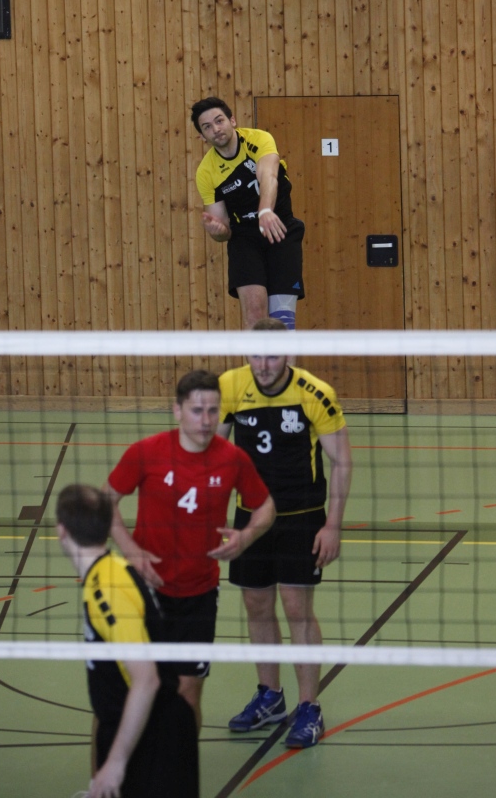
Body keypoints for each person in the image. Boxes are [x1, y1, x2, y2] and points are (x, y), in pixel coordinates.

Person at [104, 369, 276, 730]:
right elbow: (106, 501)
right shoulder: (146, 452)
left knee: (188, 694)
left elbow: (266, 507)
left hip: (199, 595)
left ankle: (181, 761)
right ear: (177, 410)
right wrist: (130, 550)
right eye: (197, 411)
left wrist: (245, 537)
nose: (206, 420)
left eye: (213, 411)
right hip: (145, 591)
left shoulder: (232, 459)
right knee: (135, 688)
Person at [217, 318, 352, 748]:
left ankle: (309, 706)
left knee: (297, 608)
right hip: (250, 516)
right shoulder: (230, 387)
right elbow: (212, 455)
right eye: (255, 355)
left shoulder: (315, 393)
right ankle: (270, 696)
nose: (263, 365)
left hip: (301, 517)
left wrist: (332, 525)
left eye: (272, 356)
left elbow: (342, 462)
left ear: (288, 354)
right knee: (256, 604)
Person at [56, 483, 199, 798]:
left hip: (153, 735)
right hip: (136, 726)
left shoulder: (107, 587)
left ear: (61, 530)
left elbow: (146, 679)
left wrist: (117, 763)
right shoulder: (111, 570)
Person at [191, 96, 305, 329]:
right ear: (202, 136)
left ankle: (286, 356)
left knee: (282, 318)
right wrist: (218, 231)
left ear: (232, 121)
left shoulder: (258, 139)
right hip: (244, 239)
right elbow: (224, 231)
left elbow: (268, 176)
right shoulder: (206, 172)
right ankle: (256, 356)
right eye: (207, 127)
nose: (216, 129)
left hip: (281, 229)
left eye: (219, 121)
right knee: (255, 317)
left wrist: (265, 210)